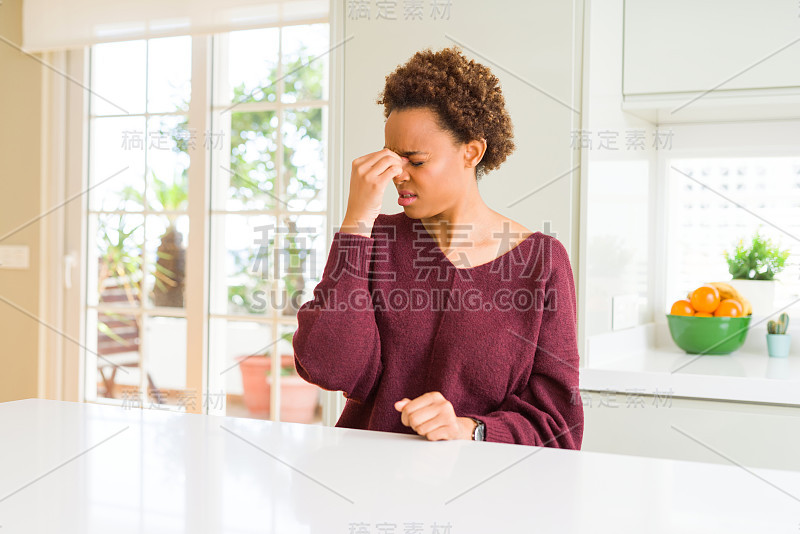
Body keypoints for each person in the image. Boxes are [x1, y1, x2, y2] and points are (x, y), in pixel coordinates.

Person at [292, 46, 583, 448]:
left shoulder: (542, 262)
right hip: (364, 484)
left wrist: (472, 429)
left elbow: (559, 426)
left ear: (472, 151)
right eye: (392, 158)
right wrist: (356, 220)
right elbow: (329, 367)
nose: (397, 175)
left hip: (482, 492)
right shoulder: (373, 240)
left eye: (415, 160)